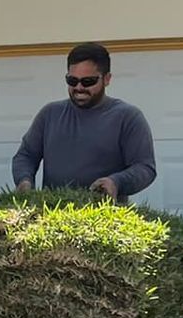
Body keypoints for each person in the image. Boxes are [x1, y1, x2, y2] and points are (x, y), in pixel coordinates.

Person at [11, 42, 157, 202]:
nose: (79, 87)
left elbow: (145, 168)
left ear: (107, 79)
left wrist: (116, 182)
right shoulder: (50, 114)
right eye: (72, 81)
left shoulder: (127, 117)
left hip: (103, 218)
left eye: (88, 81)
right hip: (52, 215)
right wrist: (24, 180)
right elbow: (26, 155)